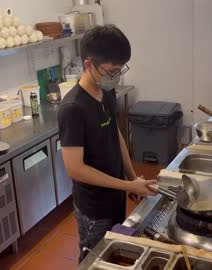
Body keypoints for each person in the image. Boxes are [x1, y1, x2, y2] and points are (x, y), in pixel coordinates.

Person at [57, 25, 157, 262]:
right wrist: (126, 186)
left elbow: (116, 134)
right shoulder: (73, 108)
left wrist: (131, 178)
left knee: (113, 255)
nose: (117, 76)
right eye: (112, 70)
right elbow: (75, 169)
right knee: (93, 259)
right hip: (93, 208)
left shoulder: (107, 92)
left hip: (115, 196)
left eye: (120, 69)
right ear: (88, 65)